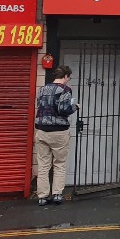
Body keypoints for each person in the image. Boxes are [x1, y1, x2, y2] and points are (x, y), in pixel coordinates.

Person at [33, 66, 78, 206]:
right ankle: (57, 194)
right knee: (59, 164)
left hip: (41, 130)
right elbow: (64, 109)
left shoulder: (42, 89)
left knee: (43, 165)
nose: (68, 80)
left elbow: (40, 106)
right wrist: (75, 106)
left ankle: (42, 196)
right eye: (68, 77)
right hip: (59, 131)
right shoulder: (65, 90)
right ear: (65, 76)